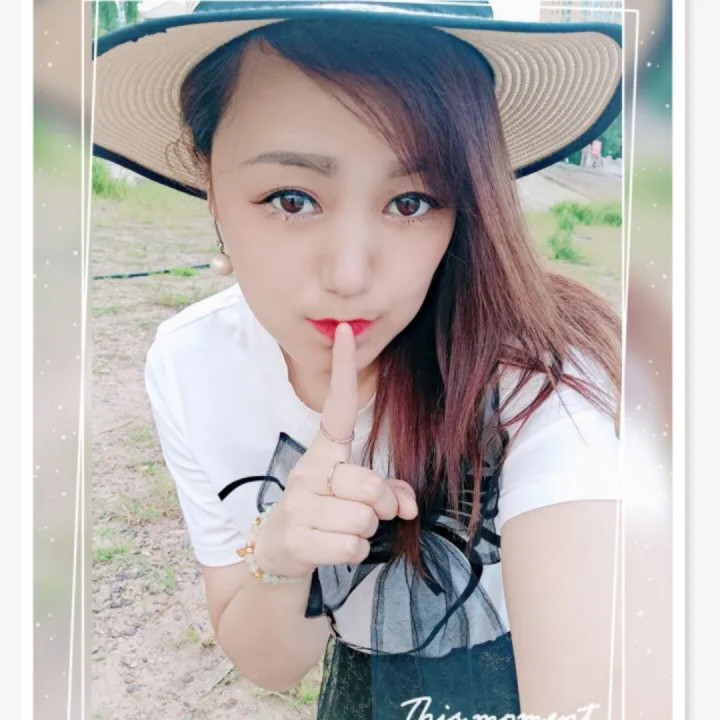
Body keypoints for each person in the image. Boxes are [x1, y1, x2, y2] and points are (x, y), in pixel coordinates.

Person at [93, 3, 623, 719]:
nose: (349, 275)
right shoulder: (193, 367)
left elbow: (593, 661)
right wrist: (284, 557)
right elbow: (273, 665)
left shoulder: (540, 378)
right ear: (208, 179)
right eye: (291, 198)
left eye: (411, 202)